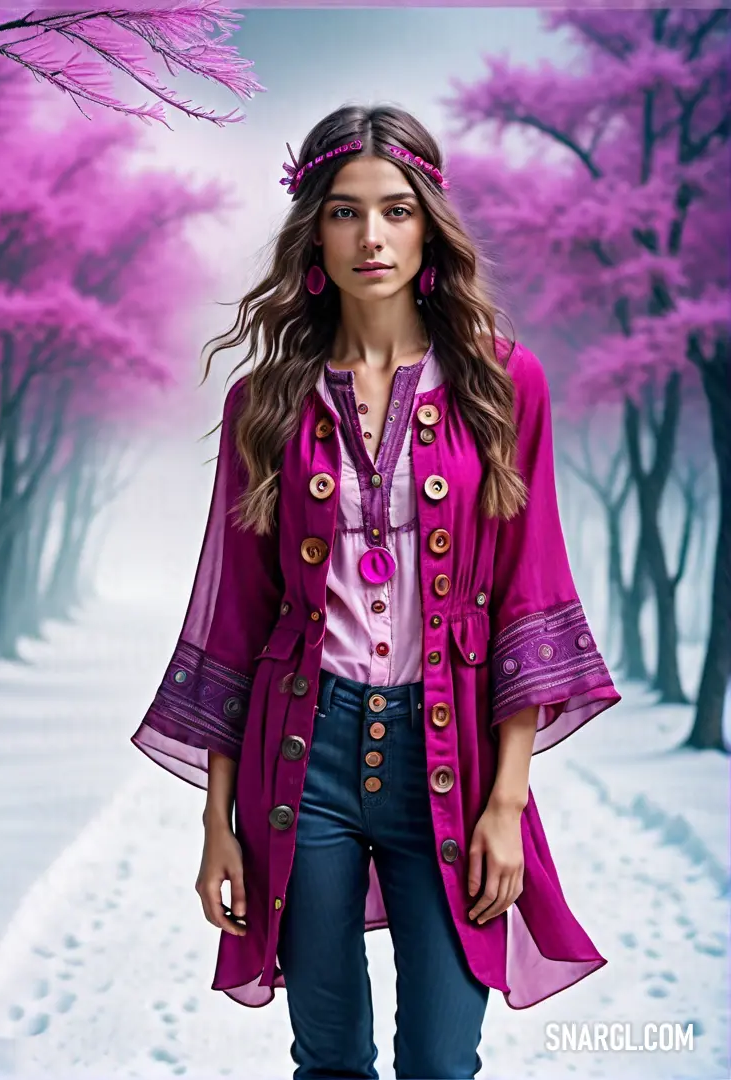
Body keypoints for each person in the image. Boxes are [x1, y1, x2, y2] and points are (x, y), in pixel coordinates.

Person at [130, 104, 621, 1080]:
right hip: (301, 758)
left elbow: (529, 585)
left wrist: (506, 800)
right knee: (331, 1059)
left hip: (455, 748)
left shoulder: (502, 383)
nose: (373, 236)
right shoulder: (265, 402)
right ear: (315, 230)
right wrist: (216, 826)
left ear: (430, 223)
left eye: (396, 210)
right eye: (346, 212)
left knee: (442, 1060)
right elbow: (238, 623)